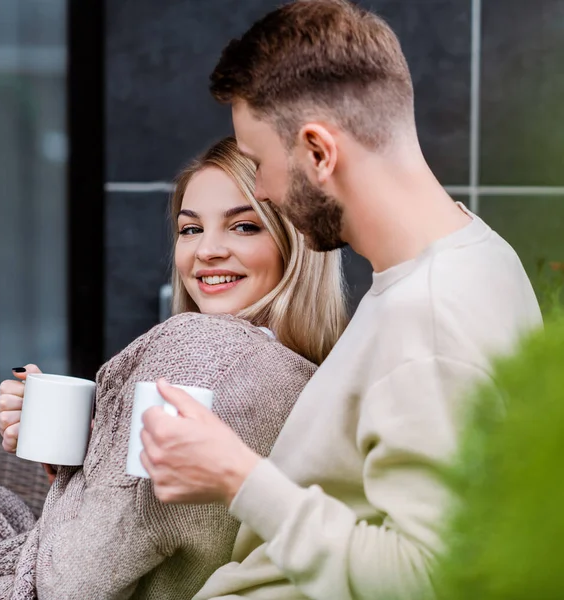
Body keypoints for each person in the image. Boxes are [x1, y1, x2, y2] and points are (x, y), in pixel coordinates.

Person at [138, 2, 543, 599]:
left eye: (259, 164)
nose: (268, 192)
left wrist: (238, 477)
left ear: (319, 153)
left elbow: (433, 579)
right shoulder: (478, 254)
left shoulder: (427, 318)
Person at [0, 136, 347, 600]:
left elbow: (70, 580)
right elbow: (155, 526)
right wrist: (83, 451)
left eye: (245, 226)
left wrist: (86, 470)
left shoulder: (205, 352)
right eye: (190, 229)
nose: (206, 251)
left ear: (297, 242)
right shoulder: (316, 375)